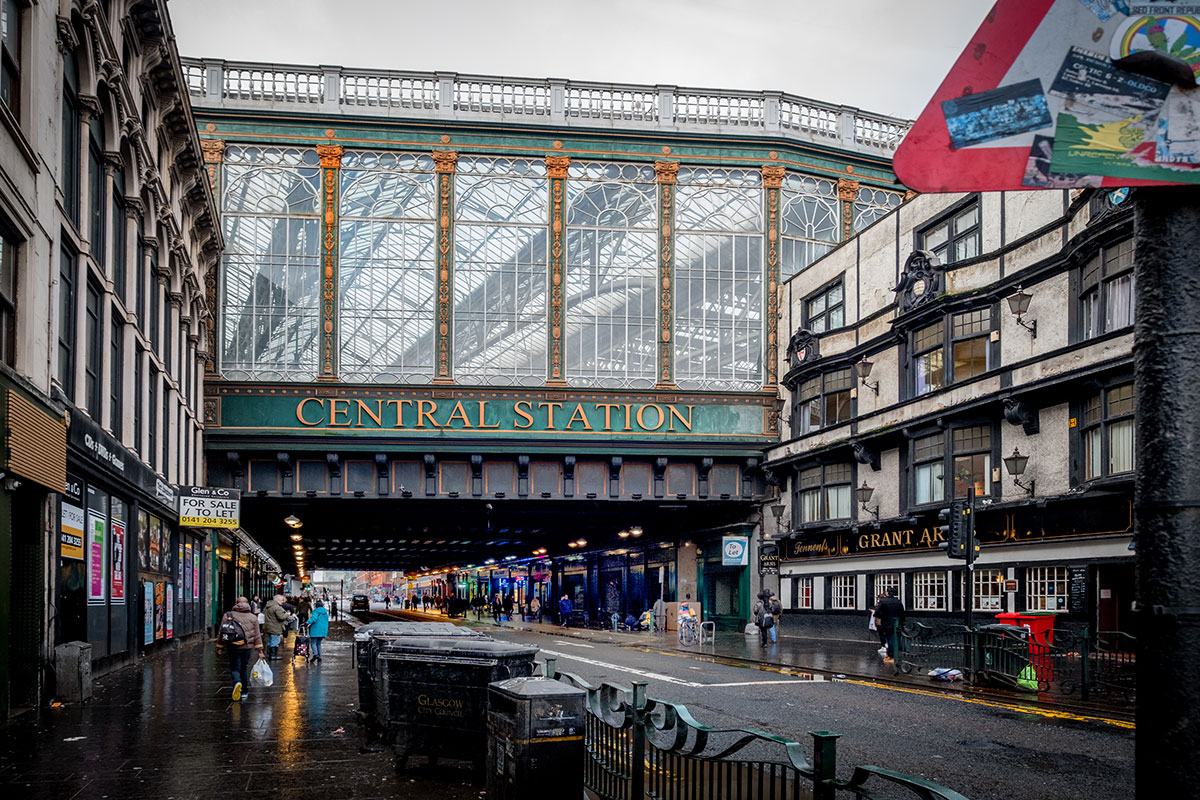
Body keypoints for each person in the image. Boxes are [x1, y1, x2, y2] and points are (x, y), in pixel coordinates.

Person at [216, 596, 264, 702]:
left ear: (236, 603)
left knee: (234, 667)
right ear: (247, 604)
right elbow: (257, 635)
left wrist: (219, 647)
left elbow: (222, 632)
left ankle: (237, 683)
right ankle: (244, 691)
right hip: (247, 647)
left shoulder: (228, 615)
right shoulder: (253, 617)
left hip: (232, 646)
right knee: (244, 667)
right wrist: (260, 650)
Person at [873, 586, 906, 672]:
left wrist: (878, 615)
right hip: (897, 623)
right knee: (895, 638)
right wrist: (902, 623)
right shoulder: (898, 602)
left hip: (887, 623)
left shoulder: (883, 602)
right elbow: (902, 614)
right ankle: (895, 654)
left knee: (890, 638)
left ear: (887, 593)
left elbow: (877, 613)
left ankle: (892, 655)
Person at [261, 594, 290, 661]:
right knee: (275, 641)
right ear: (278, 600)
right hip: (275, 626)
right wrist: (287, 614)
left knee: (270, 641)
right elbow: (281, 617)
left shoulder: (268, 606)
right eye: (282, 600)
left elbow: (263, 613)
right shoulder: (277, 607)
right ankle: (273, 656)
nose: (282, 602)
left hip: (268, 626)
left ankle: (269, 655)